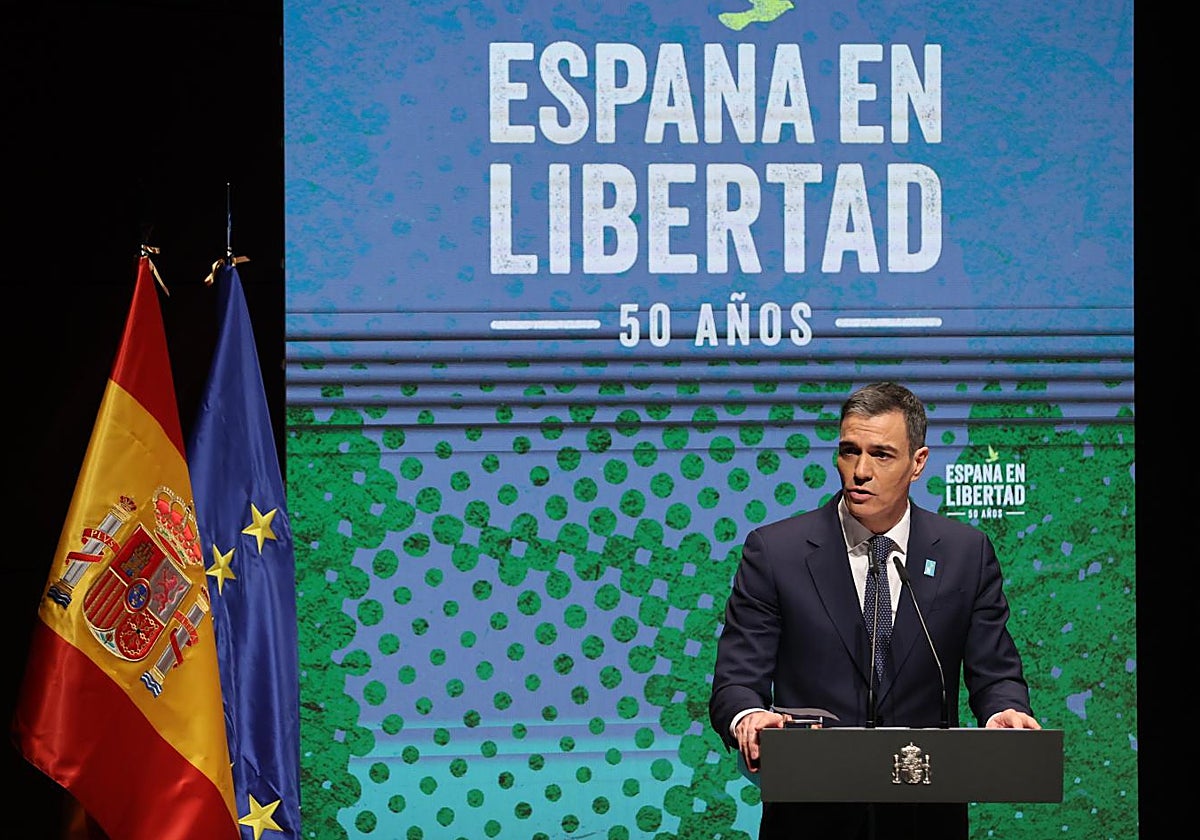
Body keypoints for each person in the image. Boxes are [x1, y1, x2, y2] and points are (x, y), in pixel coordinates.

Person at [709, 381, 1039, 840]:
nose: (860, 470)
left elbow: (995, 672)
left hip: (925, 817)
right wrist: (749, 717)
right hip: (811, 818)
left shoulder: (966, 553)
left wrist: (1003, 710)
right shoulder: (776, 552)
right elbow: (736, 681)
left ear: (918, 463)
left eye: (881, 454)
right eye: (849, 451)